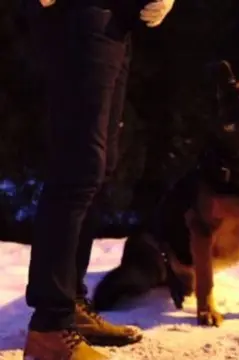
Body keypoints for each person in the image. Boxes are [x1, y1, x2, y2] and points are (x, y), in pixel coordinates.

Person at [21, 0, 175, 358]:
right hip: (82, 14)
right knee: (77, 169)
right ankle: (51, 327)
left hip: (117, 19)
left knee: (98, 168)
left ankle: (70, 303)